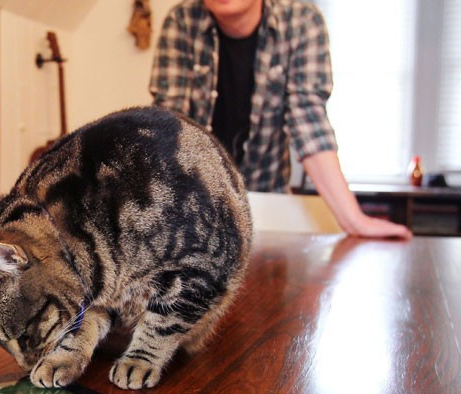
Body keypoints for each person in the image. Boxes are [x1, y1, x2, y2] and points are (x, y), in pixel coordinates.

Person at [150, 0, 412, 239]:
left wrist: (355, 221)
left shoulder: (301, 21)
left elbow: (309, 122)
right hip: (195, 207)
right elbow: (169, 130)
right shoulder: (181, 22)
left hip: (269, 204)